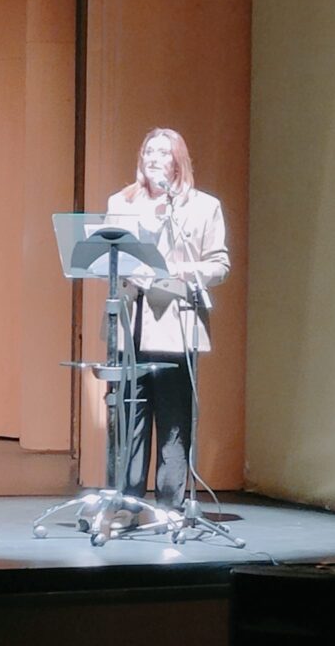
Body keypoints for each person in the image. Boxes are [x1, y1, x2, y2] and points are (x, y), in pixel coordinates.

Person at [105, 127, 230, 510]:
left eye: (163, 153)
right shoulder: (120, 202)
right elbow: (105, 256)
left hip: (176, 324)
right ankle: (126, 506)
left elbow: (219, 264)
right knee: (128, 419)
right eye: (148, 152)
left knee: (174, 420)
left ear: (178, 161)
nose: (154, 159)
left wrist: (181, 271)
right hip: (129, 323)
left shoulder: (203, 206)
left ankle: (169, 509)